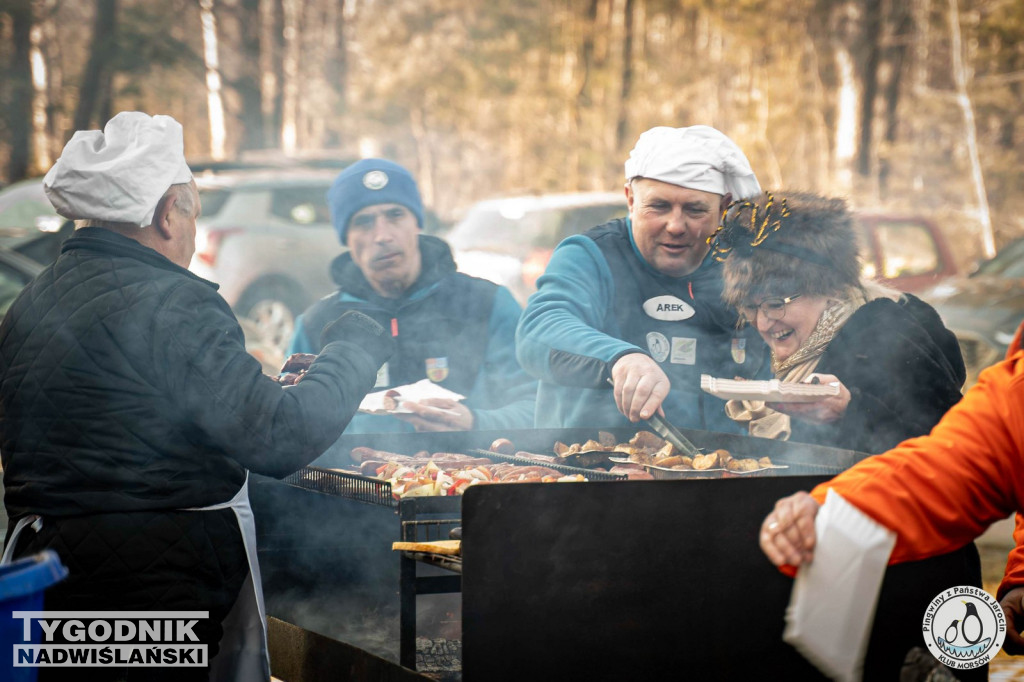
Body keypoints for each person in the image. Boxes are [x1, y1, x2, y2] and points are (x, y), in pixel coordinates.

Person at [0, 112, 393, 681]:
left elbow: (117, 413)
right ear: (166, 213)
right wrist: (353, 348)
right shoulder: (172, 302)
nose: (192, 235)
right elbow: (281, 438)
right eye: (192, 214)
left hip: (47, 582)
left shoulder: (32, 299)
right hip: (150, 596)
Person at [754, 333, 1024, 674]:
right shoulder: (1017, 391)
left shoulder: (898, 328)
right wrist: (830, 507)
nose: (764, 319)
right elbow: (946, 469)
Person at [515, 125, 766, 431]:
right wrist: (621, 359)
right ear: (631, 199)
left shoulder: (740, 267)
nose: (675, 225)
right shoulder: (591, 255)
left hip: (719, 471)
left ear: (723, 207)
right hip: (587, 465)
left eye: (694, 210)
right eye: (659, 206)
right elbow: (538, 331)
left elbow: (786, 352)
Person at [286, 158, 537, 434]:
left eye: (395, 215)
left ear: (417, 222)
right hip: (357, 476)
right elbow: (291, 427)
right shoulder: (317, 325)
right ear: (346, 238)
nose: (382, 235)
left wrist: (476, 423)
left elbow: (539, 407)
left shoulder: (487, 303)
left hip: (476, 472)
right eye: (364, 222)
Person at [713, 191, 965, 454]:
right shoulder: (783, 345)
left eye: (776, 304)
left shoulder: (884, 333)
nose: (763, 323)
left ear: (830, 289)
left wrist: (849, 412)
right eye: (751, 307)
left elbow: (951, 446)